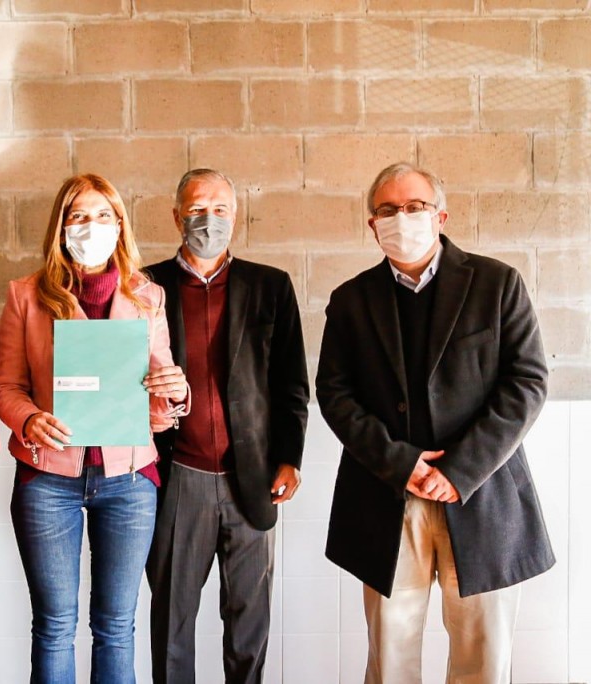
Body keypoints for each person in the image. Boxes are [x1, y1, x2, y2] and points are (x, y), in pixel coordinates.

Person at [316, 161, 555, 683]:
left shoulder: (496, 284)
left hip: (481, 496)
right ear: (372, 224)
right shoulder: (351, 300)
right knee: (391, 656)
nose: (401, 218)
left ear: (440, 215)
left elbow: (527, 382)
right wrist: (401, 464)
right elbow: (334, 394)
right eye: (387, 210)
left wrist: (460, 470)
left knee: (482, 657)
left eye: (414, 206)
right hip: (386, 496)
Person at [0, 173, 188, 683]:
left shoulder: (147, 296)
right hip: (48, 479)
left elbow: (159, 403)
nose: (91, 226)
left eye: (103, 215)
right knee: (55, 625)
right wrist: (28, 418)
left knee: (116, 625)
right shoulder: (26, 295)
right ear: (61, 228)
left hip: (129, 480)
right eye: (78, 216)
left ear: (120, 225)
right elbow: (7, 387)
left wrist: (174, 392)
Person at [144, 168, 310, 683]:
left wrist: (290, 458)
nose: (208, 220)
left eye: (219, 210)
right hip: (176, 477)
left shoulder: (271, 286)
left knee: (248, 626)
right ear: (176, 216)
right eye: (197, 209)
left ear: (235, 217)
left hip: (253, 477)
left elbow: (291, 385)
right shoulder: (145, 286)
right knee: (171, 623)